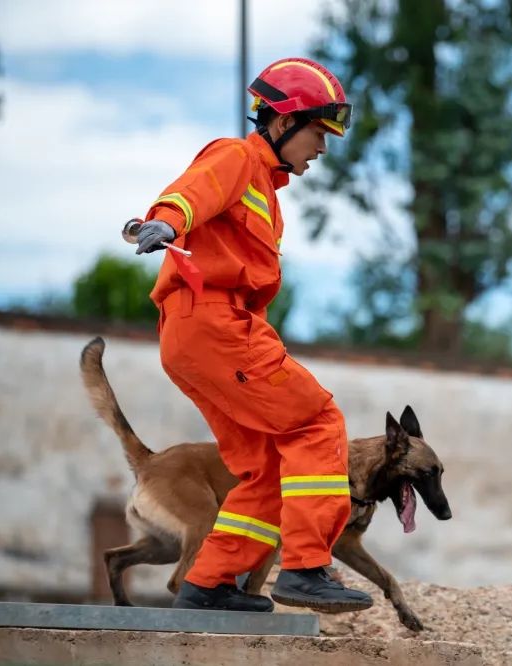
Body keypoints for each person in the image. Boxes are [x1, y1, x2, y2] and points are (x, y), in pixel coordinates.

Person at [133, 57, 372, 614]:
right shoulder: (238, 156)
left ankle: (207, 584)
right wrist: (166, 220)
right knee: (317, 423)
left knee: (268, 465)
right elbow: (195, 190)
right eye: (319, 132)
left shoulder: (266, 186)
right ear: (285, 121)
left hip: (198, 333)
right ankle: (307, 567)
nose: (323, 147)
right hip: (215, 323)